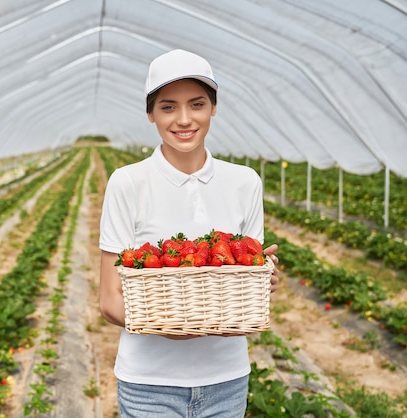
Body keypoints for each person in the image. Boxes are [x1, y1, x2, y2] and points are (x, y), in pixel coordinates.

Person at [98, 49, 280, 417]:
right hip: (149, 383)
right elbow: (109, 300)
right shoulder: (128, 182)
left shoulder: (245, 182)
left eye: (196, 104)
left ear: (213, 107)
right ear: (150, 114)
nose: (184, 119)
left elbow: (241, 287)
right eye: (168, 107)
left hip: (226, 379)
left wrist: (263, 278)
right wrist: (170, 328)